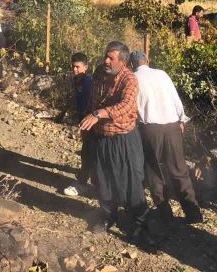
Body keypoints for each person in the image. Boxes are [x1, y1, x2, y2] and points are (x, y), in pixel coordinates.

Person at [79, 42, 148, 245]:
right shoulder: (100, 73)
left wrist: (99, 114)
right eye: (105, 56)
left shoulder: (130, 79)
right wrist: (88, 124)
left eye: (111, 58)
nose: (106, 61)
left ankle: (139, 223)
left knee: (130, 182)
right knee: (102, 179)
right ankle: (109, 216)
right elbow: (94, 100)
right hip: (101, 136)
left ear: (123, 61)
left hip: (123, 139)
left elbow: (125, 106)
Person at [131, 51, 203, 225]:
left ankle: (165, 213)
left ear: (132, 64)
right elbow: (175, 99)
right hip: (172, 127)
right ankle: (193, 213)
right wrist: (181, 119)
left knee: (153, 170)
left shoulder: (133, 78)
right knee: (179, 170)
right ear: (147, 61)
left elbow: (133, 108)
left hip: (150, 129)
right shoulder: (162, 74)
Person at [63, 53, 95, 197]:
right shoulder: (77, 80)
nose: (74, 69)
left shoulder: (88, 82)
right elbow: (75, 97)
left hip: (90, 121)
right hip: (82, 119)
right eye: (73, 66)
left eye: (78, 67)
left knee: (88, 151)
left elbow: (91, 102)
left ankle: (84, 181)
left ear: (86, 67)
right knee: (87, 150)